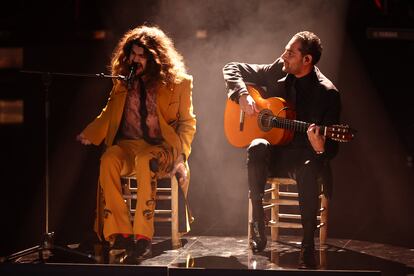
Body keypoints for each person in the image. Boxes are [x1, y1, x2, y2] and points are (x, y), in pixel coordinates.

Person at [77, 25, 196, 262]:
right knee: (108, 159)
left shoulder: (179, 83)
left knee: (145, 160)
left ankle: (143, 237)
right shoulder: (123, 82)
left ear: (155, 57)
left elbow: (187, 122)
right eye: (132, 54)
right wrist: (91, 133)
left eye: (141, 55)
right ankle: (120, 233)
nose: (135, 59)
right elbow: (108, 112)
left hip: (160, 148)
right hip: (128, 145)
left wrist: (181, 157)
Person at [223, 31, 341, 268]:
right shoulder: (279, 68)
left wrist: (320, 148)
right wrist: (243, 95)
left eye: (290, 52)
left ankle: (307, 245)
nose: (283, 56)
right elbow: (231, 67)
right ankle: (258, 219)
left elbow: (332, 149)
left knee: (308, 170)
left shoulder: (327, 93)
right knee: (256, 146)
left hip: (304, 156)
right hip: (276, 153)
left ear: (306, 60)